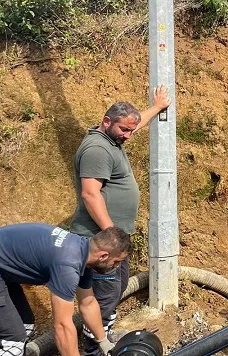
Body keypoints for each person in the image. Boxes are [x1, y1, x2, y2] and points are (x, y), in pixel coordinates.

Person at [70, 85, 171, 355]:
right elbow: (91, 195)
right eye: (124, 130)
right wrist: (112, 234)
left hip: (113, 238)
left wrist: (157, 107)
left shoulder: (113, 138)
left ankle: (104, 336)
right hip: (100, 239)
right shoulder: (96, 149)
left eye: (130, 130)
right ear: (106, 122)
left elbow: (132, 127)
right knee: (103, 296)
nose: (128, 135)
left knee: (116, 288)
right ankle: (95, 348)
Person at [0, 223, 131, 356]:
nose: (117, 266)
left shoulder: (83, 252)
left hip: (2, 269)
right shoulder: (67, 265)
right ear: (103, 256)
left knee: (25, 323)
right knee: (12, 338)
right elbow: (62, 326)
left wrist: (103, 341)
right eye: (116, 261)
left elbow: (88, 303)